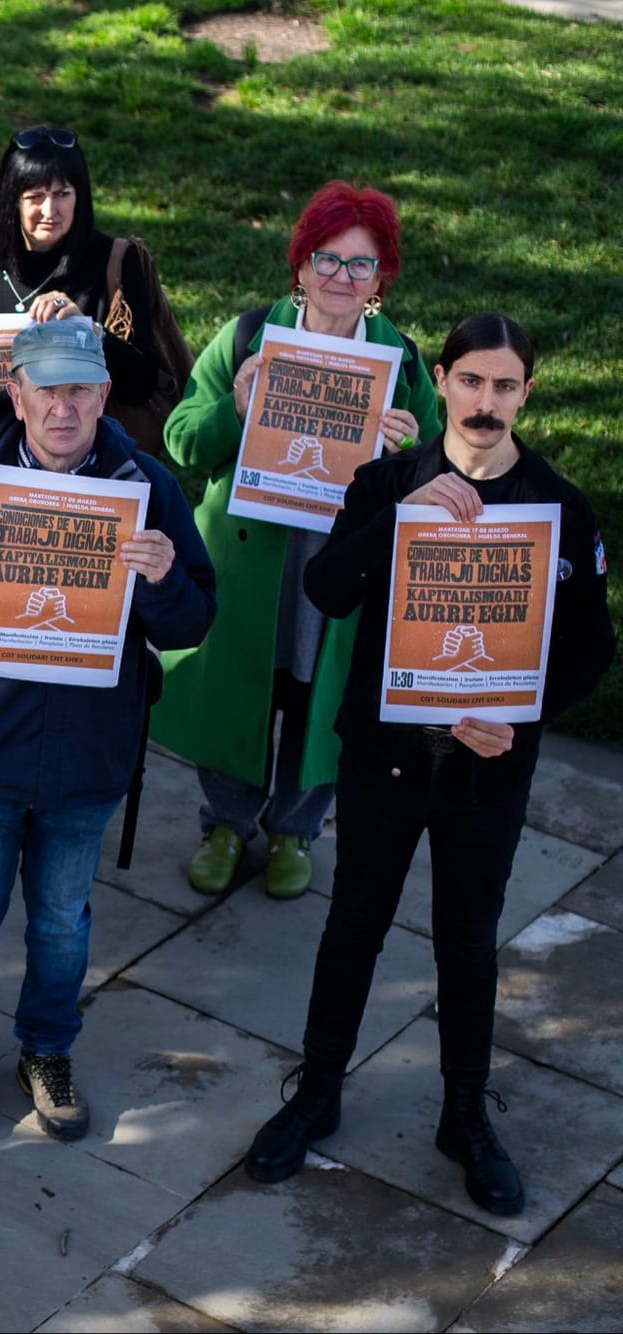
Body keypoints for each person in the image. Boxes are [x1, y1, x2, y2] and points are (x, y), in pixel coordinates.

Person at [243, 313, 614, 1217]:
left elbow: (590, 651)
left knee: (466, 940)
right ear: (441, 380)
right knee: (354, 927)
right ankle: (320, 1091)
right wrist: (400, 522)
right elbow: (328, 587)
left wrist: (518, 722)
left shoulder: (559, 507)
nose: (487, 404)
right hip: (383, 756)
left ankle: (464, 1116)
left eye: (507, 386)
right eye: (472, 382)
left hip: (487, 769)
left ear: (527, 393)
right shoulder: (387, 481)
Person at [0, 319, 215, 1140]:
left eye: (79, 390)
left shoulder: (150, 490)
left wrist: (166, 583)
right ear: (17, 395)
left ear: (104, 396)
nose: (63, 408)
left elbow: (192, 622)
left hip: (88, 763)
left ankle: (47, 1049)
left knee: (64, 923)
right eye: (47, 390)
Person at [155, 181, 444, 900]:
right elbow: (182, 440)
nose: (341, 278)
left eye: (360, 265)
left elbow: (442, 478)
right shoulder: (251, 334)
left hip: (341, 564)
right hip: (252, 558)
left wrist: (410, 453)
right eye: (328, 259)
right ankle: (224, 821)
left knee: (324, 694)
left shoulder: (401, 363)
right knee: (239, 687)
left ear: (381, 279)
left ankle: (295, 827)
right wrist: (237, 406)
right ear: (300, 263)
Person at [0, 126, 163, 464]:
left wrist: (89, 330)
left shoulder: (116, 264)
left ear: (79, 196)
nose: (50, 210)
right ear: (12, 201)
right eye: (35, 196)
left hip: (94, 477)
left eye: (62, 193)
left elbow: (142, 384)